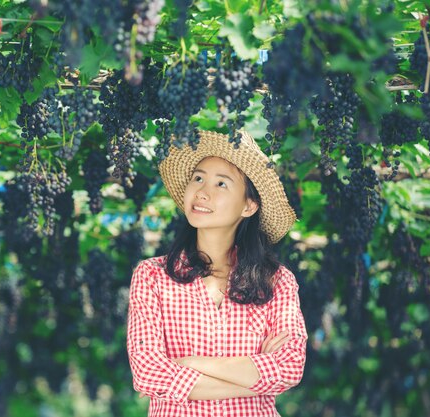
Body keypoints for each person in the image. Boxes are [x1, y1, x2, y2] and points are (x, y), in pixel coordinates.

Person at [126, 130, 307, 416]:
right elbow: (148, 373)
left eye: (221, 183)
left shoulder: (277, 281)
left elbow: (290, 367)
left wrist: (189, 363)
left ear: (249, 206)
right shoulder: (152, 276)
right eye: (198, 178)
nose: (202, 192)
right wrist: (257, 379)